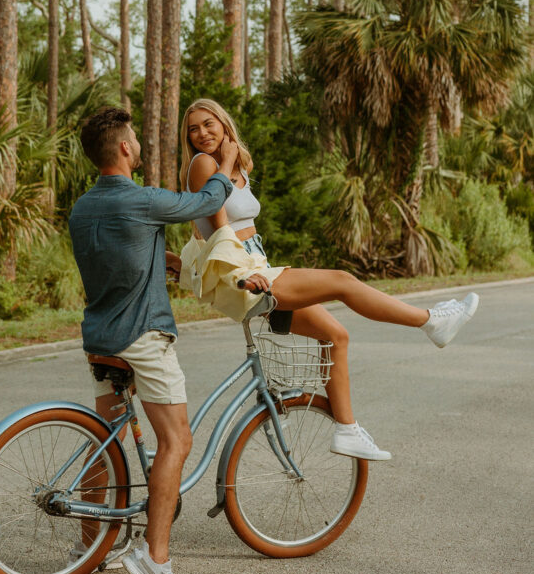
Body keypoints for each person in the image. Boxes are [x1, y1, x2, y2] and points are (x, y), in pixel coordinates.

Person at [179, 98, 479, 461]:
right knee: (342, 280)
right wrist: (225, 165)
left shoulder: (232, 165)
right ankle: (432, 322)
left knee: (335, 335)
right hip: (244, 275)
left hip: (255, 266)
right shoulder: (204, 164)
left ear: (224, 123)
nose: (201, 134)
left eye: (208, 124)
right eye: (193, 129)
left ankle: (347, 429)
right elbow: (220, 225)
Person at [68, 106, 238, 574]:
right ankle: (156, 558)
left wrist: (155, 258)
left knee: (108, 438)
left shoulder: (83, 207)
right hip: (142, 336)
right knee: (176, 440)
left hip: (99, 337)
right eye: (136, 139)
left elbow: (113, 256)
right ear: (123, 148)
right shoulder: (141, 199)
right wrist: (225, 163)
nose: (139, 145)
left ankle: (89, 543)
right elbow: (203, 200)